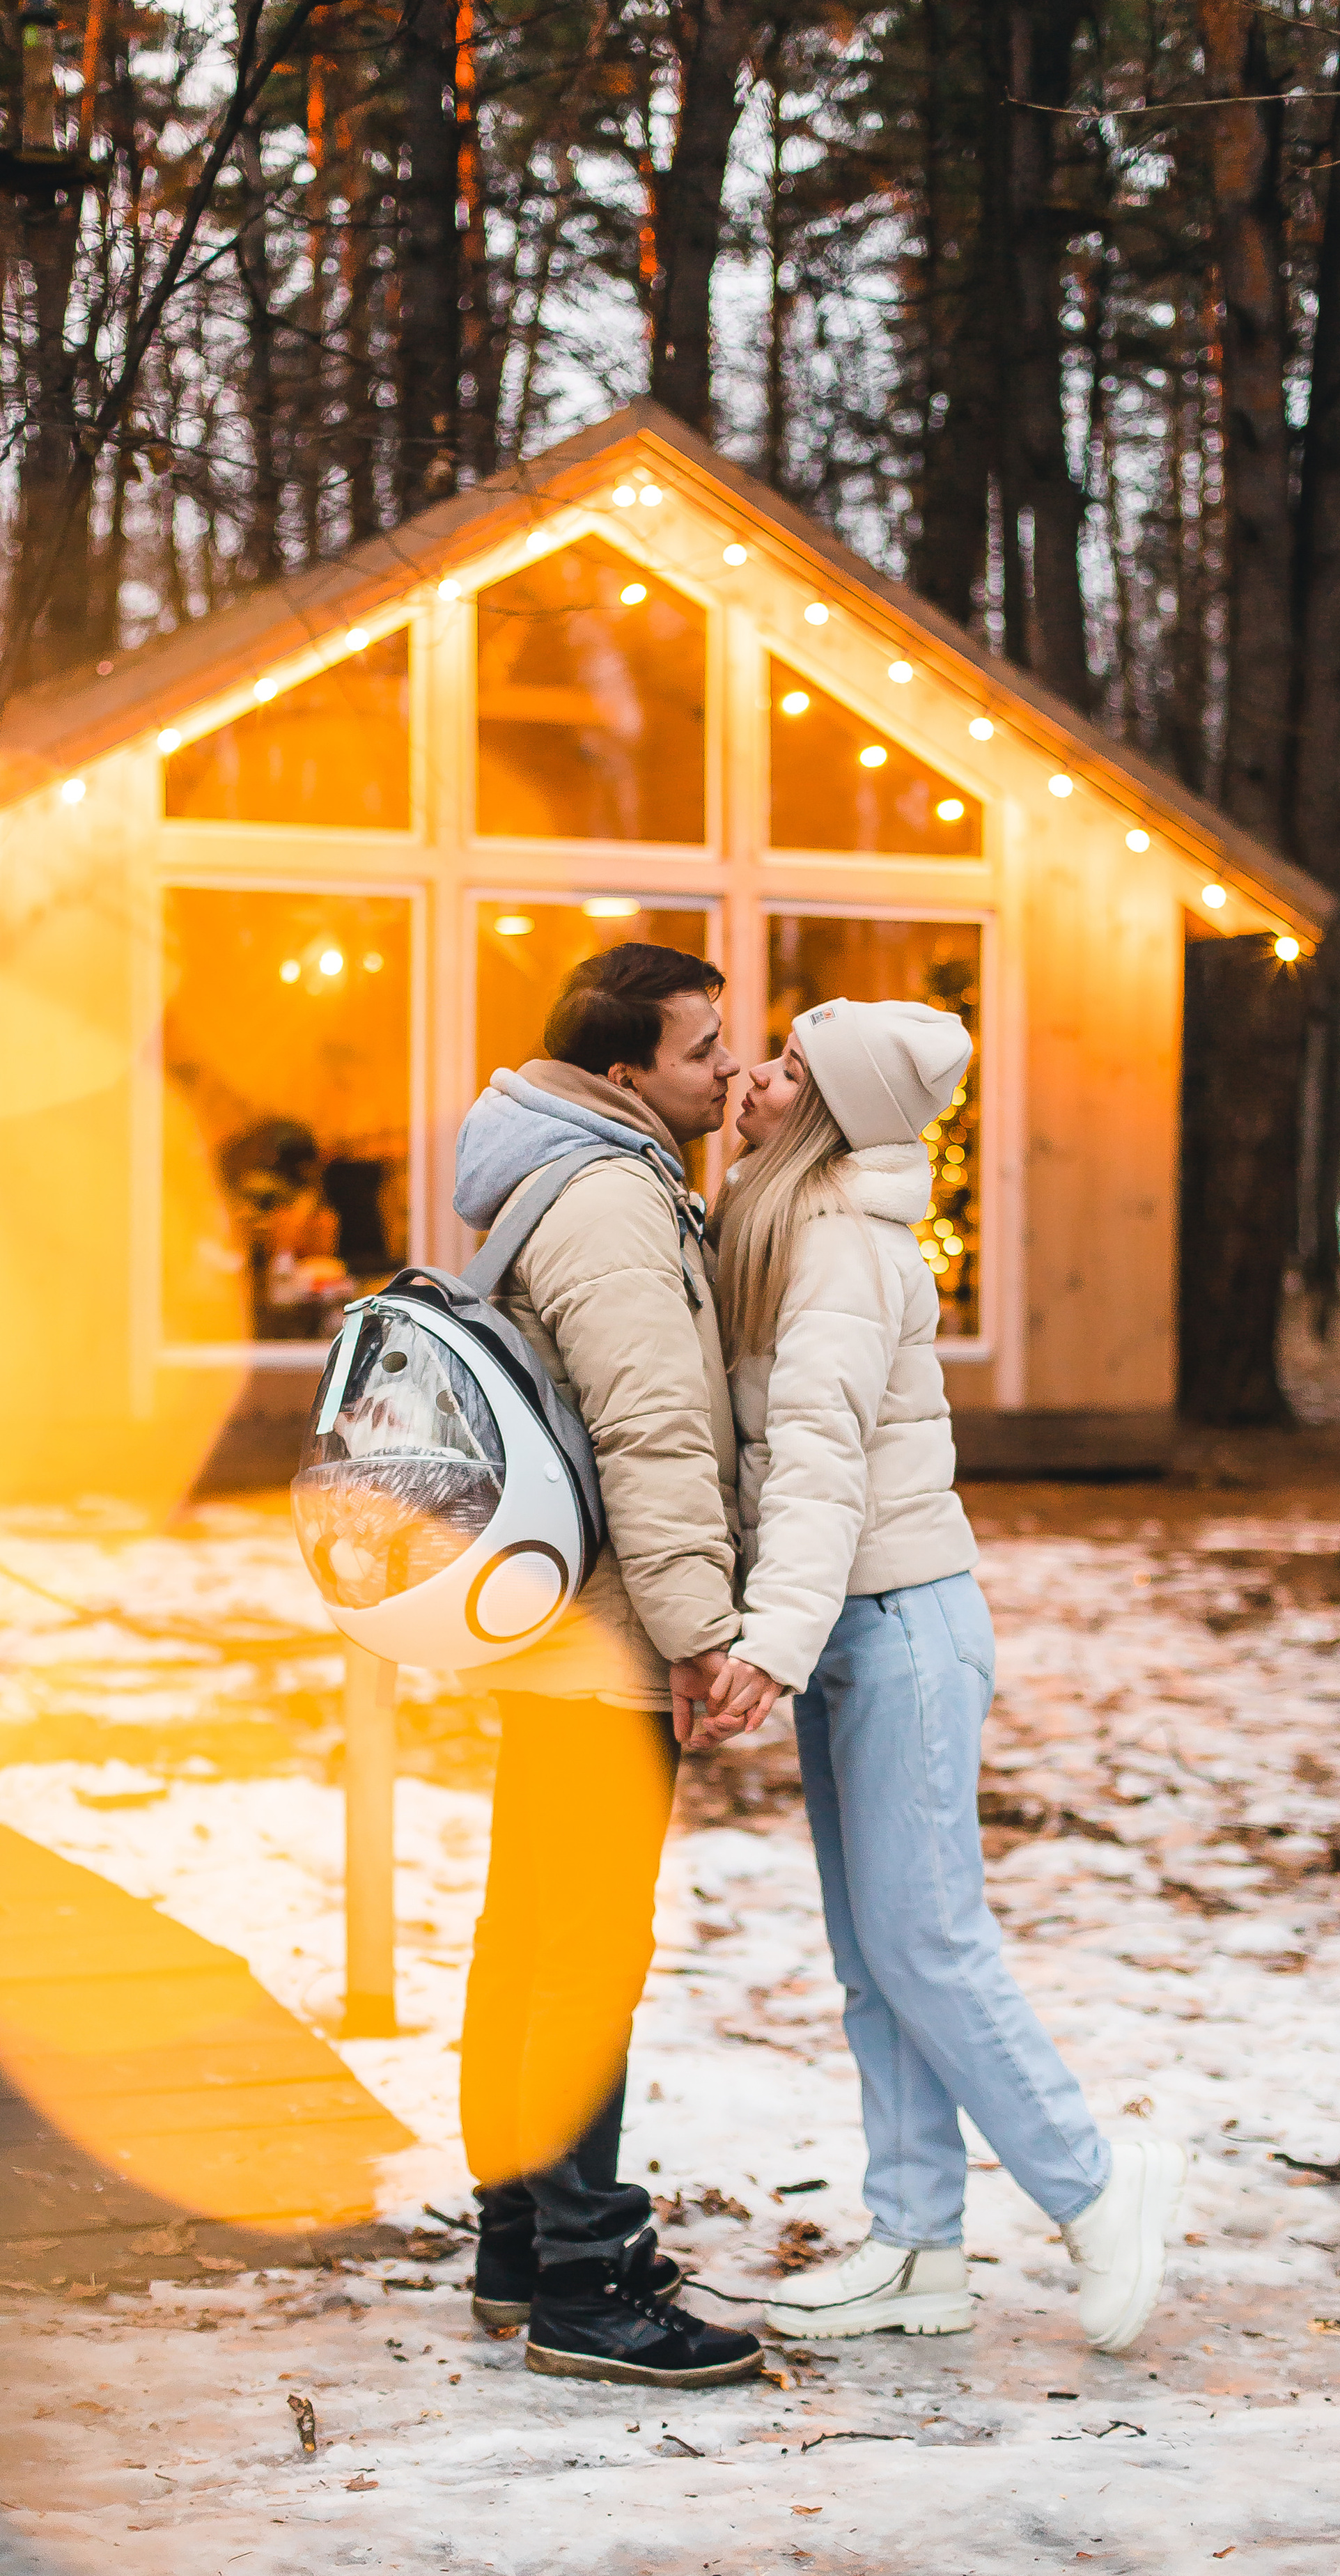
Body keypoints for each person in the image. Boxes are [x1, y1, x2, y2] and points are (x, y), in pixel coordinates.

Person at [706, 997, 1185, 2355]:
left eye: (787, 1067)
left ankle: (1097, 2186)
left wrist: (765, 1643)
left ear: (825, 1111)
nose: (754, 1074)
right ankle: (914, 2247)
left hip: (898, 1625)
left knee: (925, 1940)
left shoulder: (844, 1251)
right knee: (876, 1959)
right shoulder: (780, 1221)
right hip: (854, 1623)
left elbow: (814, 1460)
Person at [451, 942, 779, 2389]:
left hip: (550, 1630)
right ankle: (585, 2277)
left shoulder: (580, 1171)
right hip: (600, 1643)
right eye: (704, 1049)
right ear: (620, 1073)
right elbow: (655, 1435)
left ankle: (521, 2243)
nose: (726, 1068)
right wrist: (700, 1635)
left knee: (530, 1935)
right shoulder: (605, 1200)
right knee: (580, 1950)